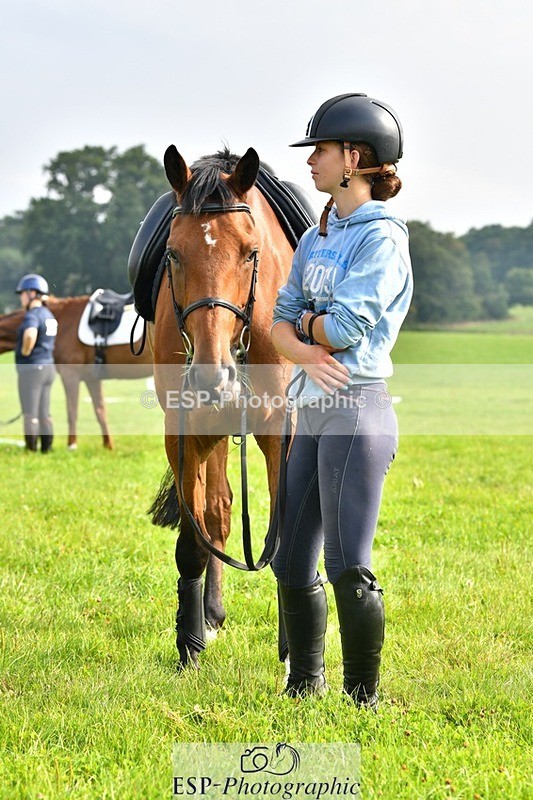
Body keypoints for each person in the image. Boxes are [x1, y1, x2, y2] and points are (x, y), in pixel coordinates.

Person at [270, 93, 413, 708]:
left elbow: (349, 328)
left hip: (358, 410)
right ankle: (305, 684)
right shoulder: (316, 237)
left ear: (353, 157)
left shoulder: (381, 240)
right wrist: (304, 344)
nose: (311, 162)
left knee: (346, 562)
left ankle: (363, 699)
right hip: (313, 407)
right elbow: (275, 322)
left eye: (320, 151)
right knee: (288, 557)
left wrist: (303, 329)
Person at [15, 273, 58, 452]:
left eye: (23, 293)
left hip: (32, 369)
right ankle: (46, 450)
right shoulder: (48, 314)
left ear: (32, 293)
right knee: (44, 413)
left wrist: (26, 351)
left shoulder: (32, 315)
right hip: (49, 367)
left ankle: (31, 450)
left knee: (31, 414)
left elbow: (30, 334)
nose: (21, 298)